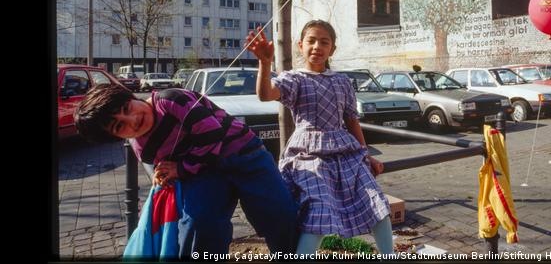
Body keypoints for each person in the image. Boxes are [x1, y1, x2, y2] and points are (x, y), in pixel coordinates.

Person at [73, 84, 299, 258]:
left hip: (246, 155)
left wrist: (181, 168)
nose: (133, 119)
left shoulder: (170, 100)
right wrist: (163, 177)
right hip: (205, 172)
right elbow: (165, 168)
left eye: (126, 108)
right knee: (197, 225)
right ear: (116, 138)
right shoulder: (143, 149)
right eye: (119, 126)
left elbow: (212, 135)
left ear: (131, 97)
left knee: (279, 214)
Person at [246, 19, 395, 256]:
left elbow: (352, 120)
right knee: (318, 210)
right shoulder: (294, 79)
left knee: (377, 203)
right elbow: (266, 94)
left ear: (332, 49)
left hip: (346, 153)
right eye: (311, 41)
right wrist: (265, 63)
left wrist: (366, 155)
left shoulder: (342, 81)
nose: (317, 46)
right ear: (300, 45)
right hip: (308, 155)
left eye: (324, 42)